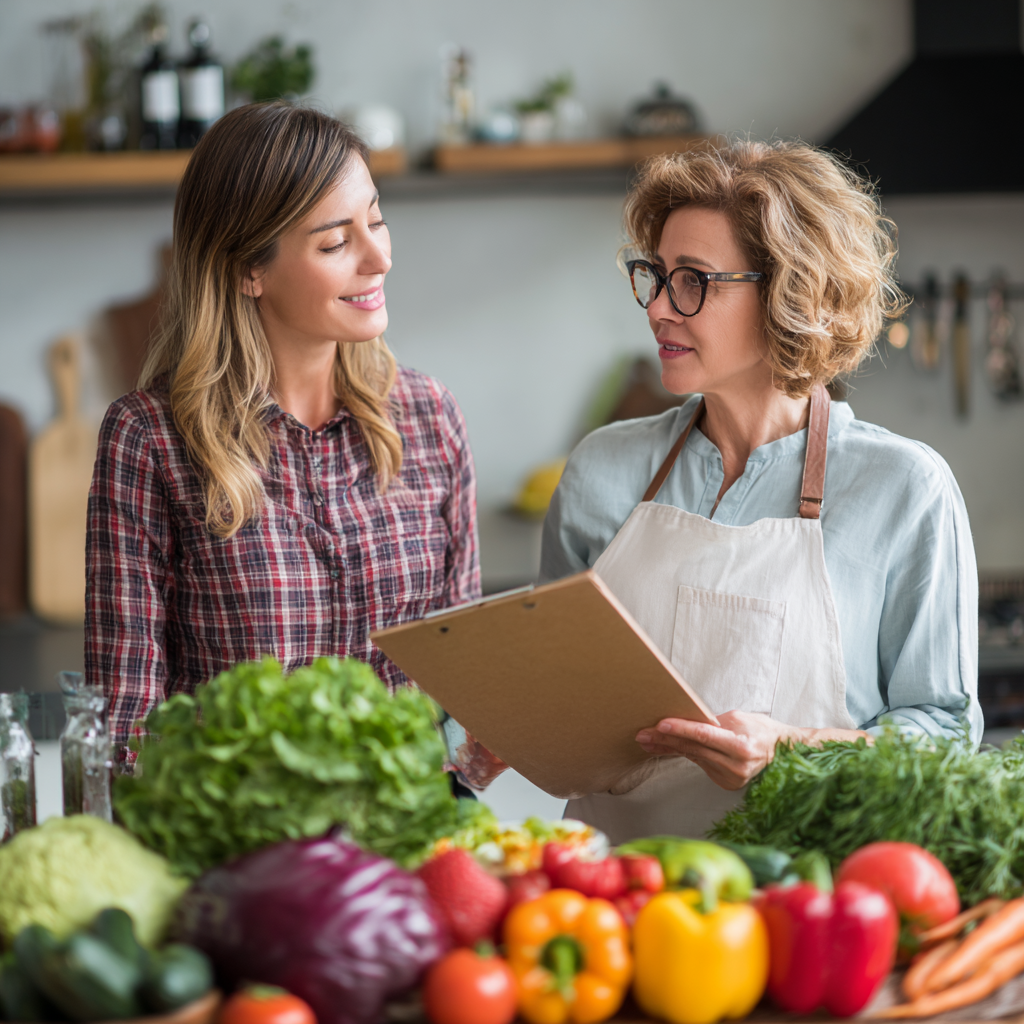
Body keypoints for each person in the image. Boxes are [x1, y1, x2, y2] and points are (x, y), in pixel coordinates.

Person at [540, 139, 981, 843]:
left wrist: (790, 749)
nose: (658, 308)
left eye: (695, 280)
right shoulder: (602, 469)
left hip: (810, 903)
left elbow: (945, 732)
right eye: (654, 276)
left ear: (790, 291)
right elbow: (557, 693)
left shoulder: (904, 488)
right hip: (613, 904)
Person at [85, 103, 480, 767]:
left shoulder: (428, 416)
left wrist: (478, 745)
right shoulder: (149, 438)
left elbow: (463, 686)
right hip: (235, 855)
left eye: (377, 220)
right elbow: (127, 726)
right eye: (335, 243)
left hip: (409, 849)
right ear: (249, 269)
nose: (379, 257)